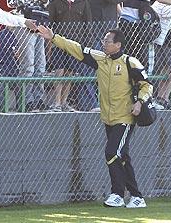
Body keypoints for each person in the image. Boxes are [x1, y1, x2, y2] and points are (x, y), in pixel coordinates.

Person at [37, 25, 152, 208]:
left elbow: (147, 85)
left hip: (125, 117)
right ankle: (137, 197)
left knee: (112, 152)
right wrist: (53, 37)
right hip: (108, 118)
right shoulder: (100, 59)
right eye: (104, 41)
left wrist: (139, 101)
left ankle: (117, 194)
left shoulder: (131, 63)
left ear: (118, 45)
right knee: (122, 156)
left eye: (107, 41)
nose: (103, 43)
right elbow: (77, 48)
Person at [7, 0, 50, 112]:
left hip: (39, 23)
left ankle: (38, 99)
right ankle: (25, 101)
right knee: (28, 64)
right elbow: (11, 2)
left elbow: (46, 2)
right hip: (23, 23)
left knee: (41, 64)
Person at [47, 0, 92, 111]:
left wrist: (85, 45)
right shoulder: (56, 1)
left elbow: (88, 25)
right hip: (58, 43)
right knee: (59, 72)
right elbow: (50, 21)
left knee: (70, 74)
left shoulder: (84, 3)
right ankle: (57, 102)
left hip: (75, 44)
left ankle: (64, 101)